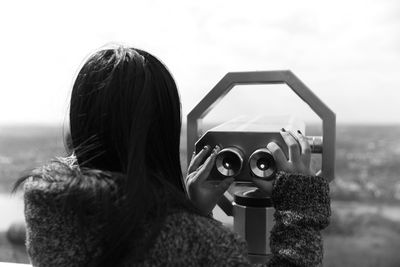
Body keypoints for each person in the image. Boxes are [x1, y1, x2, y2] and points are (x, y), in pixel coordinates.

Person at [14, 45, 330, 266]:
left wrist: (193, 213)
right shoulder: (197, 245)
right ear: (163, 134)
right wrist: (298, 204)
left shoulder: (48, 210)